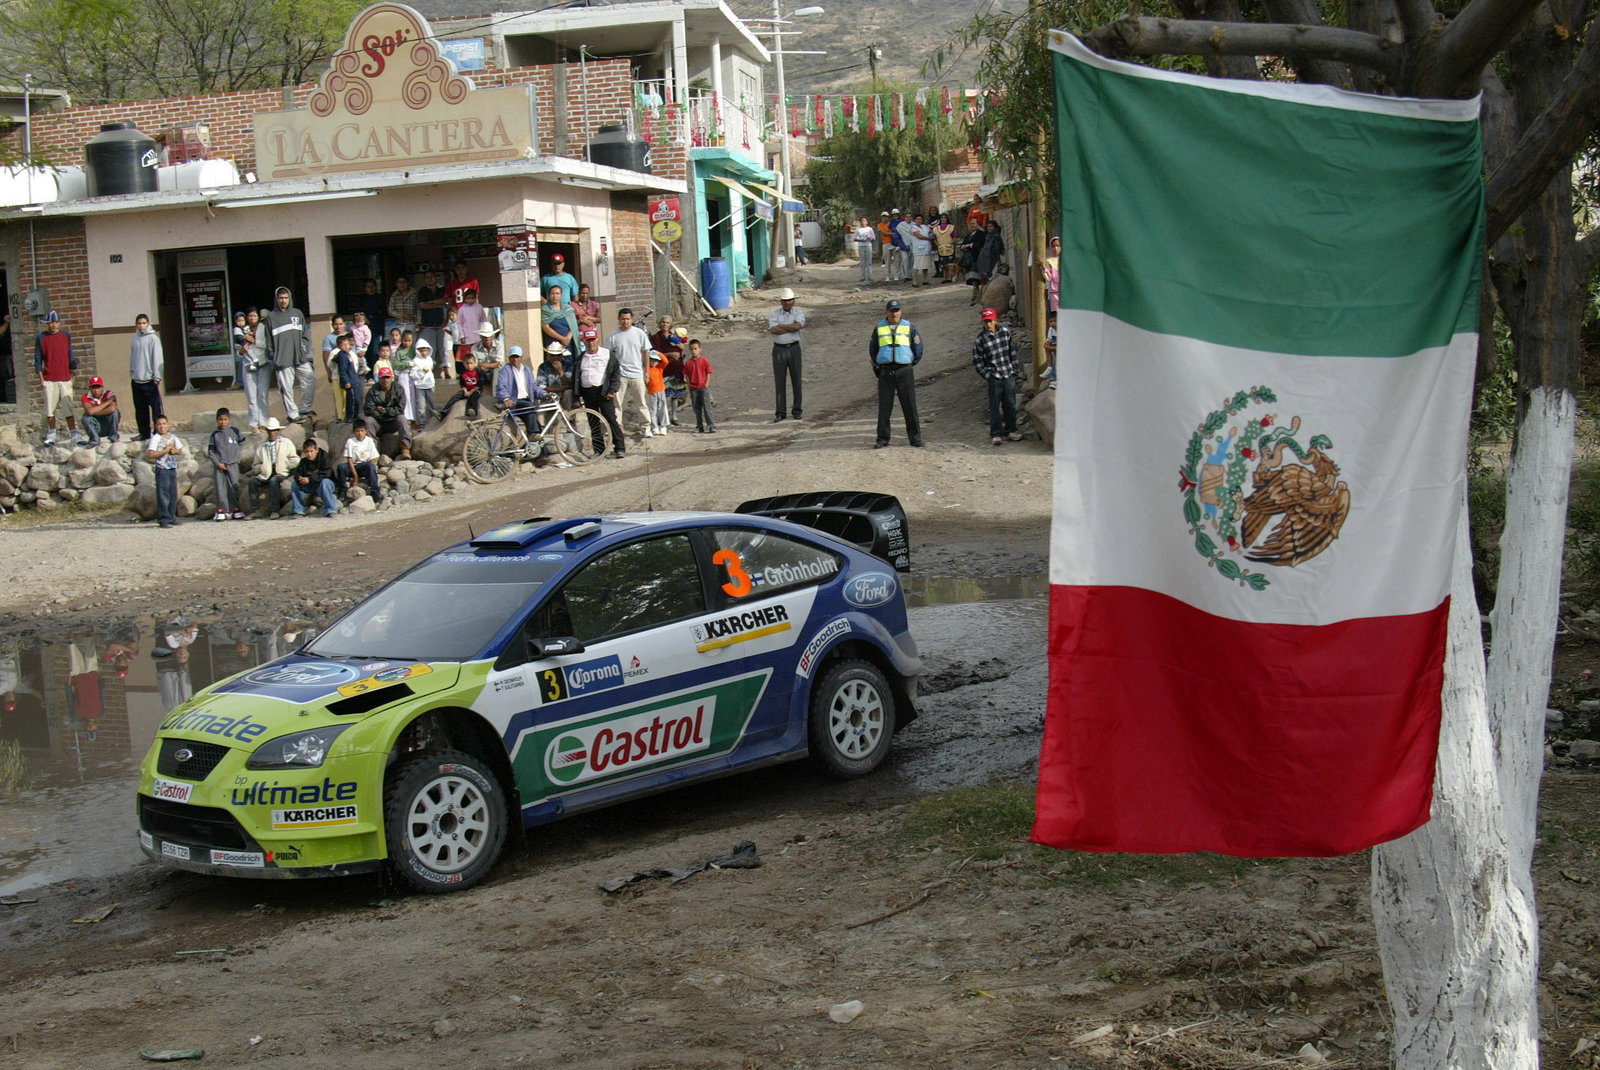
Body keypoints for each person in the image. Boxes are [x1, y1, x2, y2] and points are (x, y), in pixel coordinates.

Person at [869, 299, 924, 449]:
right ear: (886, 312)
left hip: (904, 370)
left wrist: (910, 363)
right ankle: (882, 438)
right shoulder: (879, 328)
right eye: (892, 311)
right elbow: (873, 349)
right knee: (884, 407)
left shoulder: (909, 327)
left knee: (910, 406)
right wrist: (878, 366)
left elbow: (918, 348)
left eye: (897, 310)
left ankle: (915, 438)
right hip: (886, 371)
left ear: (901, 312)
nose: (895, 313)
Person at [972, 307, 1023, 445]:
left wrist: (1014, 369)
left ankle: (1011, 430)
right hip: (994, 376)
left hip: (1008, 374)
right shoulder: (980, 340)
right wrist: (987, 375)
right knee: (995, 406)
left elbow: (1012, 351)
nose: (988, 324)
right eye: (985, 321)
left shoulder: (1005, 333)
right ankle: (996, 433)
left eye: (990, 321)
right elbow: (978, 360)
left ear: (996, 320)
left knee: (1010, 404)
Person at [575, 327, 624, 459]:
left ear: (598, 340)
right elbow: (576, 378)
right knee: (593, 422)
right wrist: (577, 396)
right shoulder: (581, 358)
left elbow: (615, 373)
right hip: (588, 393)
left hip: (604, 392)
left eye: (593, 340)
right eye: (588, 340)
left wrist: (612, 390)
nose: (591, 343)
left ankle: (619, 447)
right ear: (584, 342)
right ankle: (599, 450)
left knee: (611, 420)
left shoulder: (607, 354)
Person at [265, 287, 311, 422]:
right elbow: (268, 340)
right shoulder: (271, 317)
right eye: (281, 298)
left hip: (299, 356)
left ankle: (304, 408)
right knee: (287, 388)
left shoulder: (297, 314)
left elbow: (305, 334)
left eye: (285, 298)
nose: (283, 300)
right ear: (276, 299)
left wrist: (304, 348)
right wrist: (273, 355)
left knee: (310, 378)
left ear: (289, 298)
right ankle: (292, 414)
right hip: (283, 359)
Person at [606, 308, 652, 440]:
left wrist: (647, 371)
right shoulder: (613, 336)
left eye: (627, 319)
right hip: (620, 375)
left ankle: (646, 426)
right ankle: (616, 427)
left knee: (641, 402)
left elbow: (646, 352)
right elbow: (608, 355)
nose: (625, 322)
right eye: (623, 319)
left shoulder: (639, 333)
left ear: (631, 319)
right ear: (619, 319)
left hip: (637, 373)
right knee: (617, 403)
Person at [36, 310, 80, 445]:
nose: (53, 325)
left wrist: (73, 370)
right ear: (47, 324)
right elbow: (37, 359)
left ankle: (74, 433)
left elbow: (70, 354)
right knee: (50, 409)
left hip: (65, 377)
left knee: (68, 408)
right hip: (49, 378)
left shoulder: (66, 336)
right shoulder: (41, 338)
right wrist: (41, 378)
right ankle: (52, 434)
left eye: (55, 322)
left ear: (59, 323)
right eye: (50, 323)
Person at [768, 286, 806, 422]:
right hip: (778, 349)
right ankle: (780, 412)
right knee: (780, 382)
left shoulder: (799, 313)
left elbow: (798, 326)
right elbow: (773, 330)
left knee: (796, 380)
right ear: (781, 302)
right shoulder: (774, 314)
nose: (787, 303)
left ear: (794, 301)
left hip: (794, 348)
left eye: (789, 300)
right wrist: (790, 326)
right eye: (784, 300)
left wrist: (782, 326)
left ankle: (797, 410)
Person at [249, 417, 297, 517]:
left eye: (274, 430)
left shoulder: (286, 443)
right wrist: (261, 468)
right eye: (270, 430)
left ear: (278, 431)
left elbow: (295, 459)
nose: (272, 433)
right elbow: (255, 464)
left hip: (281, 472)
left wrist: (286, 465)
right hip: (265, 473)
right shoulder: (262, 446)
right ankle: (255, 510)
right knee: (252, 482)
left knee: (274, 481)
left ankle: (274, 511)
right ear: (267, 431)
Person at [146, 414, 186, 528]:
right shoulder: (156, 438)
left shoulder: (172, 437)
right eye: (159, 424)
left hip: (172, 468)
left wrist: (174, 451)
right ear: (155, 426)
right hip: (162, 469)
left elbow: (180, 450)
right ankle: (163, 519)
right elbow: (151, 454)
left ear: (168, 425)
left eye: (164, 424)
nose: (161, 426)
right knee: (163, 495)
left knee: (172, 494)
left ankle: (171, 517)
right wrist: (164, 451)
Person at [494, 345, 545, 435]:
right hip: (514, 401)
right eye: (512, 357)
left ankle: (535, 445)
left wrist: (544, 394)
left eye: (517, 357)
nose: (515, 359)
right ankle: (532, 434)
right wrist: (506, 398)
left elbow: (533, 386)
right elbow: (501, 386)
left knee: (538, 429)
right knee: (530, 406)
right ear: (509, 358)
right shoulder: (506, 370)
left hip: (526, 401)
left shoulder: (526, 370)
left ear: (521, 358)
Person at [362, 368, 411, 459]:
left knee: (402, 419)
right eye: (383, 378)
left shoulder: (399, 389)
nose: (385, 380)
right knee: (368, 421)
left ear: (392, 378)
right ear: (379, 379)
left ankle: (405, 448)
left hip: (392, 422)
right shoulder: (373, 390)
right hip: (378, 423)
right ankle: (373, 454)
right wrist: (380, 415)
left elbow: (400, 409)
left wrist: (384, 411)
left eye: (387, 378)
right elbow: (368, 409)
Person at [207, 407, 246, 520]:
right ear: (217, 420)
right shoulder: (215, 435)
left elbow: (242, 442)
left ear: (229, 419)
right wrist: (217, 463)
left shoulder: (234, 431)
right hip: (220, 465)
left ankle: (235, 509)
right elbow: (210, 451)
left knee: (234, 486)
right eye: (220, 419)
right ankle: (222, 510)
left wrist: (237, 455)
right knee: (220, 488)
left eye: (225, 419)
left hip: (233, 464)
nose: (223, 422)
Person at [650, 315, 687, 425]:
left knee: (675, 394)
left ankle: (674, 416)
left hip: (677, 369)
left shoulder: (674, 337)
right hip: (663, 369)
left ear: (670, 325)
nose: (665, 324)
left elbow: (682, 348)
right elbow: (655, 353)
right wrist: (670, 354)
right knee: (663, 395)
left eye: (667, 323)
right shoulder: (655, 338)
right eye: (663, 322)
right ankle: (662, 417)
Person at [290, 438, 338, 518]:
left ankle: (330, 510)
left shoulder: (324, 458)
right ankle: (299, 511)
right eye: (307, 452)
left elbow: (326, 473)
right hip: (311, 485)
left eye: (311, 451)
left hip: (325, 484)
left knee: (325, 482)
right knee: (294, 484)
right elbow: (297, 473)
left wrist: (310, 479)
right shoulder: (304, 462)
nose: (309, 454)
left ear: (316, 450)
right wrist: (299, 478)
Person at [339, 420, 383, 502]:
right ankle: (342, 491)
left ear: (366, 431)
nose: (360, 433)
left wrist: (372, 468)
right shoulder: (350, 441)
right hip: (352, 466)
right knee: (341, 467)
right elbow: (349, 459)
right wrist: (355, 477)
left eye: (362, 431)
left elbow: (374, 458)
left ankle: (375, 492)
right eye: (357, 431)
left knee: (371, 467)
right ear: (354, 432)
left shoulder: (369, 441)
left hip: (363, 466)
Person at [241, 307, 271, 431]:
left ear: (258, 317)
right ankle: (254, 424)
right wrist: (245, 344)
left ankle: (263, 422)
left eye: (254, 316)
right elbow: (239, 350)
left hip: (263, 364)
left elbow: (267, 345)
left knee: (263, 395)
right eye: (250, 316)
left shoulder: (264, 329)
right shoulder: (244, 330)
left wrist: (253, 340)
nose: (252, 318)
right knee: (252, 397)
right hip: (248, 365)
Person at [416, 269, 449, 373]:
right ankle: (429, 371)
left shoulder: (442, 289)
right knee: (430, 349)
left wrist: (431, 302)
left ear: (436, 277)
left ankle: (447, 371)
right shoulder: (422, 291)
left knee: (444, 348)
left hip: (442, 323)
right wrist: (438, 304)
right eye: (427, 277)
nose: (429, 279)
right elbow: (423, 306)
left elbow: (445, 301)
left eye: (431, 277)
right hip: (427, 324)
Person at [438, 351, 484, 422]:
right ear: (464, 364)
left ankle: (472, 411)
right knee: (454, 397)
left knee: (473, 398)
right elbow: (462, 384)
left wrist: (471, 392)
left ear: (475, 363)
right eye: (467, 363)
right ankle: (443, 413)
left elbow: (479, 384)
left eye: (471, 363)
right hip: (466, 390)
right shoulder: (463, 372)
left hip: (476, 390)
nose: (469, 365)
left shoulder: (478, 372)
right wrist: (465, 391)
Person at [684, 339, 714, 433]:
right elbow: (686, 374)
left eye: (695, 349)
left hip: (703, 387)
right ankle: (699, 426)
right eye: (692, 349)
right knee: (697, 408)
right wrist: (689, 385)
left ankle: (711, 425)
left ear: (700, 349)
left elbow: (708, 372)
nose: (694, 351)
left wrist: (707, 383)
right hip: (693, 388)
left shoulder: (704, 360)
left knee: (707, 407)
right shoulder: (688, 363)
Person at [331, 333, 363, 423]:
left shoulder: (348, 354)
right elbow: (343, 371)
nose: (346, 346)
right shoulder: (342, 356)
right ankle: (351, 417)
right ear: (339, 346)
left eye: (347, 344)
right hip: (350, 382)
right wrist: (346, 381)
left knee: (356, 400)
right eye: (343, 345)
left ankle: (355, 416)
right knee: (352, 400)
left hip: (354, 381)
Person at [540, 284, 578, 360]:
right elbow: (546, 327)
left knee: (570, 366)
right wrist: (562, 339)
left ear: (561, 295)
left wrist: (567, 338)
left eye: (557, 293)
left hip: (568, 343)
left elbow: (574, 325)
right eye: (552, 293)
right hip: (554, 344)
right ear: (549, 295)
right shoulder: (545, 309)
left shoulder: (568, 309)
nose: (555, 296)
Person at [79, 376, 120, 446]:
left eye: (98, 387)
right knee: (85, 418)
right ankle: (94, 439)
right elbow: (90, 411)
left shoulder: (109, 394)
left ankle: (113, 437)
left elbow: (112, 409)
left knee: (115, 413)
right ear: (90, 389)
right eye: (93, 387)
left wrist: (94, 411)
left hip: (108, 424)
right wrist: (107, 403)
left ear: (102, 387)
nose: (96, 390)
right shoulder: (85, 397)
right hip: (96, 426)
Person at [355, 278, 386, 366]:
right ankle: (368, 375)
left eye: (372, 286)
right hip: (363, 331)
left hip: (377, 329)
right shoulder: (361, 300)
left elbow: (384, 312)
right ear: (365, 288)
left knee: (375, 352)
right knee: (365, 352)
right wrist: (364, 318)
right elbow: (358, 313)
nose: (371, 289)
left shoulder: (380, 298)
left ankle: (376, 373)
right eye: (368, 287)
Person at [409, 337, 438, 427]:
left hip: (429, 384)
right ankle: (422, 422)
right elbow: (413, 375)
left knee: (431, 403)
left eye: (426, 350)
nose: (424, 353)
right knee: (421, 405)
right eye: (422, 351)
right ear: (418, 351)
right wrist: (422, 373)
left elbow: (431, 369)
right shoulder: (415, 361)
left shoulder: (429, 359)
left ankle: (434, 419)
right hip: (420, 386)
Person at [537, 341, 572, 409]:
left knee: (569, 393)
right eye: (552, 355)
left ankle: (570, 417)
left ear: (562, 355)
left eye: (557, 355)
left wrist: (560, 371)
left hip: (564, 396)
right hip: (550, 395)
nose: (555, 358)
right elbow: (542, 386)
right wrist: (559, 389)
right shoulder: (543, 367)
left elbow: (569, 384)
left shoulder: (568, 365)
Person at [962, 224, 988, 305]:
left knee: (981, 277)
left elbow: (979, 244)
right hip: (970, 260)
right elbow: (962, 246)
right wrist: (967, 246)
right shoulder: (967, 236)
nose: (971, 227)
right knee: (973, 277)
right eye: (970, 225)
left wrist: (970, 245)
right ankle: (975, 294)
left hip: (979, 258)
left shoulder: (981, 234)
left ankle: (983, 296)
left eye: (973, 224)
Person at [645, 349, 669, 435]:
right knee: (653, 410)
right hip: (651, 392)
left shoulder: (659, 368)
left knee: (662, 408)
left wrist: (659, 353)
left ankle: (663, 426)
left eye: (656, 360)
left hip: (661, 390)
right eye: (653, 359)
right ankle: (654, 427)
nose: (655, 362)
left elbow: (666, 361)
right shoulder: (646, 370)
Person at [909, 214, 935, 287]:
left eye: (920, 219)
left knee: (925, 266)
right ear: (914, 220)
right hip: (918, 250)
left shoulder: (925, 227)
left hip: (926, 249)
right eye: (917, 219)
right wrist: (929, 239)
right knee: (916, 266)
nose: (919, 221)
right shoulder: (913, 228)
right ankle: (914, 282)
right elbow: (919, 236)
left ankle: (925, 280)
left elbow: (931, 231)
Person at [1039, 234, 1062, 312]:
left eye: (1058, 246)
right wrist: (1043, 268)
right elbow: (1048, 277)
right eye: (1053, 246)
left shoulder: (1065, 260)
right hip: (1055, 293)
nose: (1055, 248)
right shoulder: (1049, 261)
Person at [932, 213, 958, 282]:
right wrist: (937, 244)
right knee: (942, 264)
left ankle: (950, 277)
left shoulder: (951, 227)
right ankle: (945, 278)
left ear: (947, 219)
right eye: (942, 218)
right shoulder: (936, 228)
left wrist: (951, 243)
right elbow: (934, 238)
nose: (943, 219)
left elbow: (955, 236)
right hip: (941, 248)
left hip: (949, 247)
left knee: (950, 263)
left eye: (945, 218)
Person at [853, 217, 877, 283]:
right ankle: (862, 277)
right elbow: (854, 238)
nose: (863, 222)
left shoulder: (870, 229)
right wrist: (861, 240)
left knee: (869, 262)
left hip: (868, 245)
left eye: (864, 221)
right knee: (862, 262)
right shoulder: (858, 229)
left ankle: (870, 277)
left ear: (866, 222)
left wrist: (869, 238)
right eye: (861, 221)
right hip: (861, 246)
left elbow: (873, 238)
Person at [878, 211, 898, 282]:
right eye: (883, 217)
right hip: (886, 243)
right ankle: (888, 276)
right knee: (887, 261)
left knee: (896, 260)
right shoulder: (880, 225)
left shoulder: (891, 224)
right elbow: (883, 232)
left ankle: (896, 275)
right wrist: (893, 234)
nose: (884, 218)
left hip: (894, 243)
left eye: (886, 217)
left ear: (888, 217)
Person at [230, 311, 248, 388]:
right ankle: (240, 382)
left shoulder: (246, 328)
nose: (241, 322)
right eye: (239, 321)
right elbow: (240, 339)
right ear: (235, 321)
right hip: (239, 352)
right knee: (241, 364)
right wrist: (246, 343)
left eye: (242, 320)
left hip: (246, 351)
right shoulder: (236, 329)